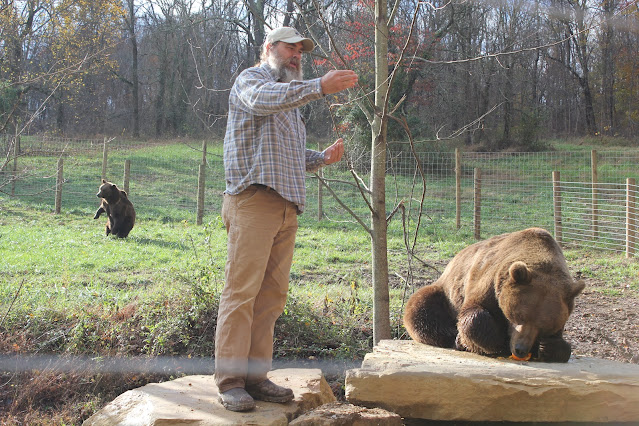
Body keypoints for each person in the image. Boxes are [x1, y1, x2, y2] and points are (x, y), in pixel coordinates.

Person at [215, 26, 358, 412]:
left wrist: (320, 159)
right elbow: (263, 102)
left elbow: (286, 154)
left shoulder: (289, 102)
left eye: (300, 51)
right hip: (253, 202)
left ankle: (256, 378)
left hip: (285, 208)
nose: (296, 55)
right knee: (241, 293)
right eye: (289, 48)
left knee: (272, 297)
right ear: (269, 48)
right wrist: (318, 87)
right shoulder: (252, 81)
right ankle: (230, 382)